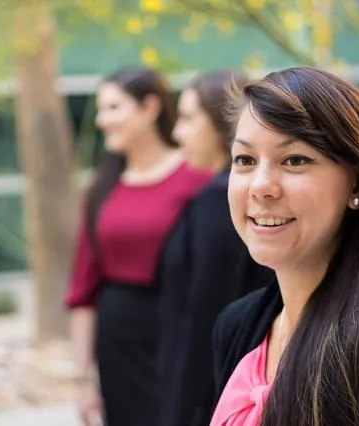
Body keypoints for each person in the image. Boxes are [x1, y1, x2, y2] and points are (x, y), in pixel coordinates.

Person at [210, 66, 359, 425]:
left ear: (356, 184)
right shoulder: (237, 327)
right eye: (245, 160)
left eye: (294, 160)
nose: (261, 186)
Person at [64, 67, 212, 426]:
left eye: (113, 108)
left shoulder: (199, 179)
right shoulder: (101, 188)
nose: (102, 121)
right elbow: (83, 290)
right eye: (100, 110)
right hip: (118, 348)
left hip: (181, 336)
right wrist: (82, 380)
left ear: (150, 107)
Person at [157, 70, 275, 426]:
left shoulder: (217, 201)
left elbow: (205, 317)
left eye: (190, 117)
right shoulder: (222, 196)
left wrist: (180, 412)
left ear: (223, 121)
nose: (178, 132)